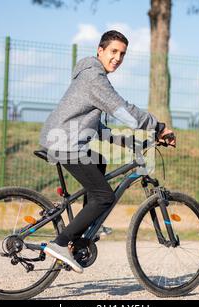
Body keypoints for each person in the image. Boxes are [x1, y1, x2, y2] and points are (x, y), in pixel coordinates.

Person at [39, 30, 176, 273]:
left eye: (122, 54)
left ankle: (85, 223)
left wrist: (128, 142)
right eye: (113, 51)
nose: (118, 58)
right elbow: (121, 109)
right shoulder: (94, 78)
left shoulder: (91, 76)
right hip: (65, 144)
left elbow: (98, 128)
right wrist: (159, 127)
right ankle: (60, 244)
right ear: (100, 50)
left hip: (65, 141)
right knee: (104, 197)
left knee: (98, 161)